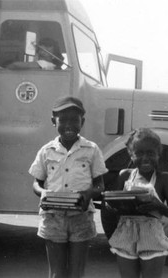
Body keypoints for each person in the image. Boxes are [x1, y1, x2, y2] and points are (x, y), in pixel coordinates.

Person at [29, 96, 107, 278]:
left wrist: (88, 194)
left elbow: (100, 185)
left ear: (83, 122)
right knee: (56, 274)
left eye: (74, 120)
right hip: (53, 217)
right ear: (53, 122)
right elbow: (36, 183)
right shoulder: (46, 150)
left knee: (76, 273)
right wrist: (43, 193)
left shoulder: (92, 149)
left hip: (81, 218)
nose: (69, 125)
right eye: (62, 120)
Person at [107, 128, 168, 278]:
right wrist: (112, 205)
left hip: (152, 235)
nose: (145, 158)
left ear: (158, 154)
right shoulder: (125, 176)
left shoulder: (165, 179)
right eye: (139, 153)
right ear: (131, 154)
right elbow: (113, 205)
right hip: (125, 233)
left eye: (151, 153)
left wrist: (158, 205)